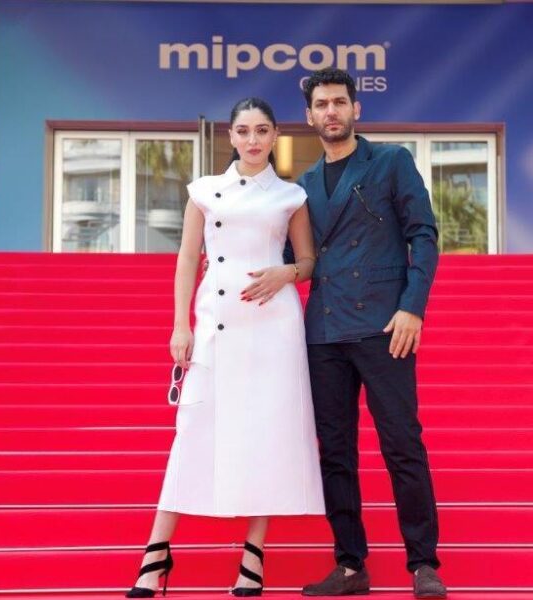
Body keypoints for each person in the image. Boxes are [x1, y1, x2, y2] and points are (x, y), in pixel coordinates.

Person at [125, 97, 324, 598]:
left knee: (268, 435)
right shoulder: (203, 191)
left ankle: (253, 556)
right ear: (231, 136)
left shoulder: (291, 196)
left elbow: (308, 261)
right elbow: (186, 258)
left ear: (275, 135)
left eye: (262, 130)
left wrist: (287, 272)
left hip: (273, 327)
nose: (253, 140)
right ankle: (156, 551)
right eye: (243, 131)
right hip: (216, 324)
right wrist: (181, 325)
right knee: (192, 430)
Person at [295, 69, 447, 598]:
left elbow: (423, 234)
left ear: (356, 109)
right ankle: (350, 564)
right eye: (322, 104)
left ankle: (423, 563)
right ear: (309, 116)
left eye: (339, 102)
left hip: (385, 325)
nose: (331, 111)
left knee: (402, 443)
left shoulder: (391, 161)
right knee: (335, 451)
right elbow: (294, 256)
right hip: (324, 330)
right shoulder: (302, 186)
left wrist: (412, 308)